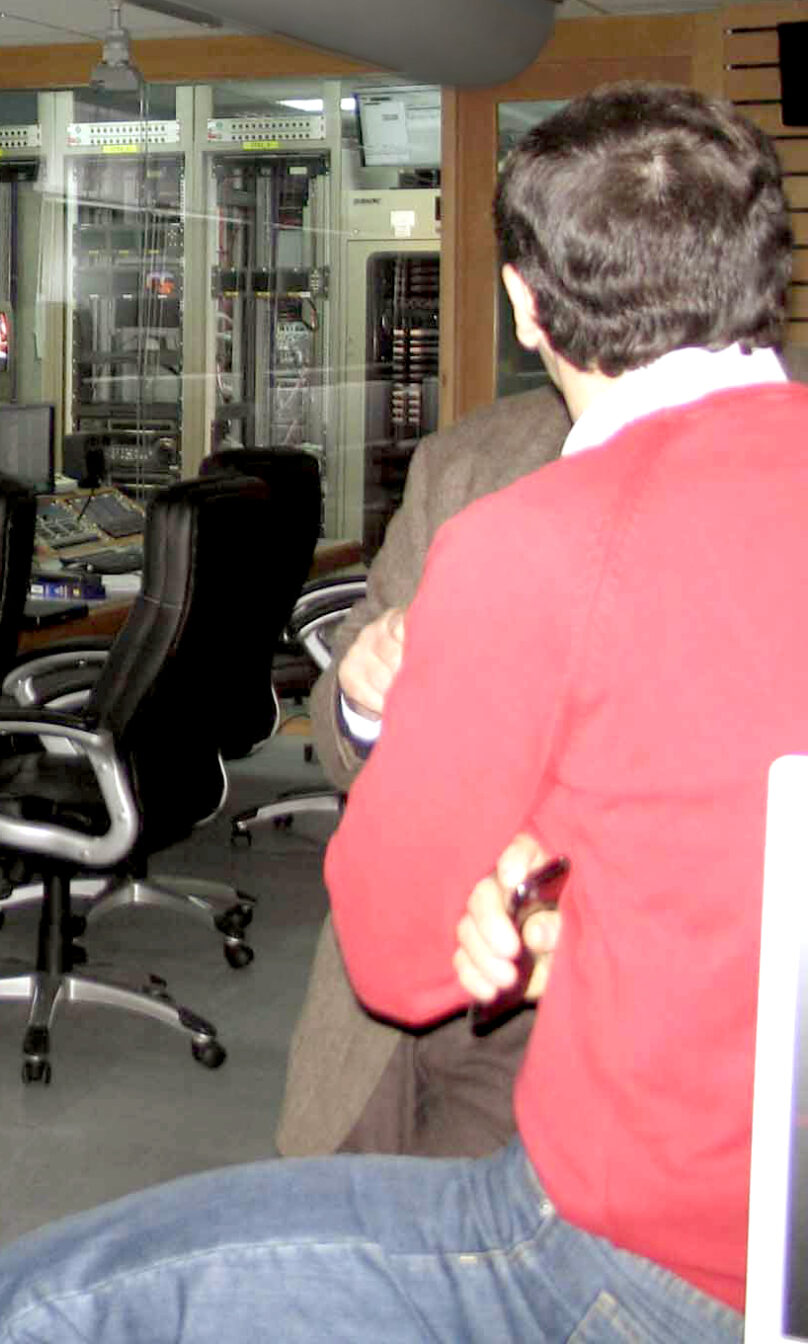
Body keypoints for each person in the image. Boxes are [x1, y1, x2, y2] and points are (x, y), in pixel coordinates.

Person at [0, 83, 808, 1343]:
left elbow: (402, 961)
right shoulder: (491, 473)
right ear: (766, 274)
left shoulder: (536, 539)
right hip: (750, 1223)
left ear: (523, 304)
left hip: (634, 1244)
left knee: (26, 1306)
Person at [275, 384, 569, 1160]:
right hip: (393, 997)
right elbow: (337, 731)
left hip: (574, 1025)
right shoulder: (468, 462)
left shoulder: (761, 476)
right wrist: (361, 695)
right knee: (334, 1218)